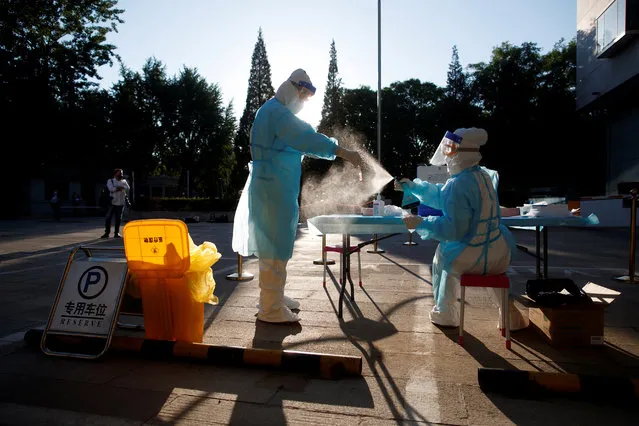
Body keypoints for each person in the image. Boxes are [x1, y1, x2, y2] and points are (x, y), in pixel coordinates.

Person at [235, 69, 363, 324]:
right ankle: (270, 309)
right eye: (302, 93)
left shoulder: (273, 112)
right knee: (274, 247)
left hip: (275, 187)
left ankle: (273, 298)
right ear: (290, 88)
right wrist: (343, 152)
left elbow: (303, 143)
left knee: (276, 245)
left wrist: (336, 152)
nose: (303, 100)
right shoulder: (277, 113)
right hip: (273, 189)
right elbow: (306, 137)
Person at [395, 128, 520, 328]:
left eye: (450, 151)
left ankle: (445, 314)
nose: (447, 158)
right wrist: (414, 187)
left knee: (443, 258)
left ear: (459, 154)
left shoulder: (458, 183)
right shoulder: (484, 176)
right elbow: (443, 196)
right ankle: (511, 318)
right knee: (495, 275)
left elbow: (453, 231)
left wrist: (421, 223)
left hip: (472, 257)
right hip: (499, 254)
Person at [101, 168, 130, 239]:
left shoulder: (124, 181)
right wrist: (120, 188)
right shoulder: (110, 181)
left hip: (121, 203)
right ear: (115, 174)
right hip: (112, 203)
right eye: (119, 173)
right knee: (108, 218)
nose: (121, 174)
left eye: (122, 173)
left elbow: (127, 188)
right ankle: (107, 233)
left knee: (118, 219)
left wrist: (118, 188)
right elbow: (111, 189)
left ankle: (116, 233)